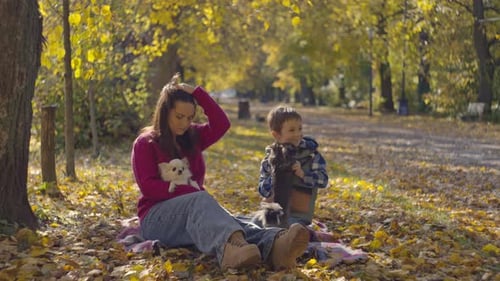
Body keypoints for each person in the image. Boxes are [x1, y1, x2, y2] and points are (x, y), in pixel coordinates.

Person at [131, 74, 309, 271]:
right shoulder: (145, 143)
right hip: (156, 218)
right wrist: (193, 193)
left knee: (230, 220)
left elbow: (221, 124)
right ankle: (229, 250)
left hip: (192, 213)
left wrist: (199, 94)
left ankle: (276, 245)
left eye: (190, 118)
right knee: (204, 203)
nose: (184, 123)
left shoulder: (192, 137)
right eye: (179, 117)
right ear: (164, 113)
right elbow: (149, 188)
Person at [258, 105, 329, 226]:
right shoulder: (270, 158)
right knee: (256, 225)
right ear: (276, 135)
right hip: (273, 211)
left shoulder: (311, 155)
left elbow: (323, 180)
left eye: (300, 129)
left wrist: (302, 174)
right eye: (291, 130)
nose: (298, 134)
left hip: (298, 215)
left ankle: (285, 238)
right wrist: (275, 176)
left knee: (288, 228)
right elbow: (262, 189)